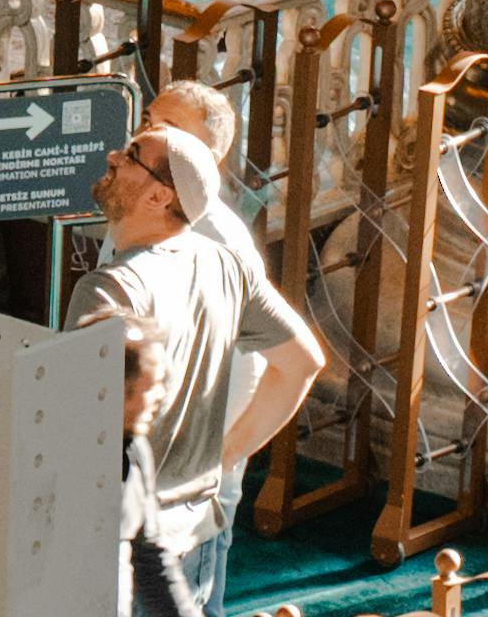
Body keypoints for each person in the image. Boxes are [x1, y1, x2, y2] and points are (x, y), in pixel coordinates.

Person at [77, 120, 322, 616]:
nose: (113, 157)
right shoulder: (225, 265)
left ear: (159, 197)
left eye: (131, 154)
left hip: (120, 547)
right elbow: (302, 362)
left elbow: (80, 423)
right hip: (199, 530)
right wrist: (227, 455)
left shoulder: (109, 290)